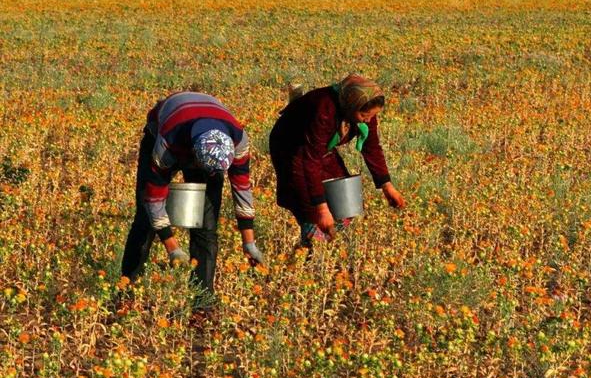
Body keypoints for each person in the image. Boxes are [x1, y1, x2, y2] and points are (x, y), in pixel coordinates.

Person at [121, 91, 263, 293]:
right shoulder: (168, 143)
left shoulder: (238, 140)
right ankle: (127, 290)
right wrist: (173, 248)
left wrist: (249, 243)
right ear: (194, 157)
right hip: (165, 128)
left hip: (204, 129)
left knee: (205, 224)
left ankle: (201, 300)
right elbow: (153, 198)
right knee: (145, 219)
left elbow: (241, 189)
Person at [269, 74, 405, 245]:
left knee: (344, 203)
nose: (368, 120)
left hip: (320, 149)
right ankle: (309, 254)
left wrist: (387, 185)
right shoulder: (323, 110)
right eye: (364, 116)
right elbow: (309, 161)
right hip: (292, 149)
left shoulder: (364, 105)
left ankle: (324, 248)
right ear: (351, 106)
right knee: (309, 208)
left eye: (372, 116)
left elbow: (371, 147)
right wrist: (321, 208)